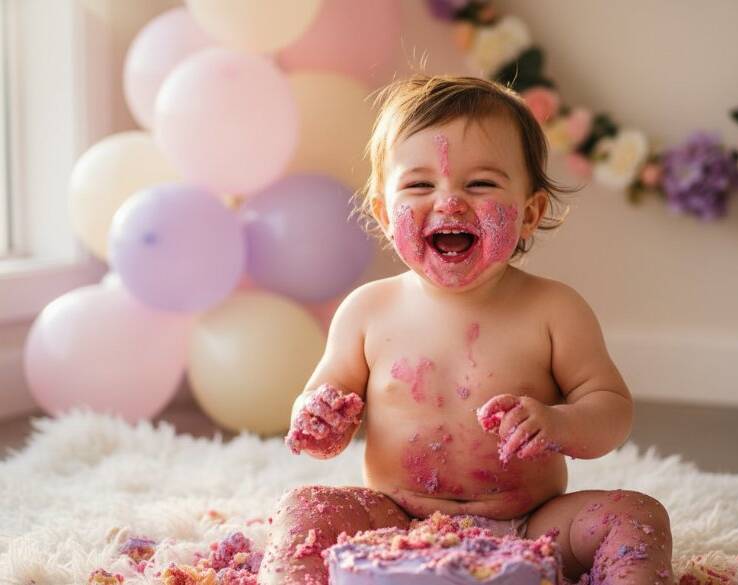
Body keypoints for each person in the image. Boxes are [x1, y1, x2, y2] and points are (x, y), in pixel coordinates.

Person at [257, 74, 675, 585]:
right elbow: (325, 404)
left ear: (529, 213)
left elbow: (611, 410)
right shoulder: (368, 311)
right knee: (306, 508)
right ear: (385, 214)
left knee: (637, 515)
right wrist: (317, 418)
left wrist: (561, 424)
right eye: (419, 184)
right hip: (394, 523)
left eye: (480, 184)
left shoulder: (554, 310)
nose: (450, 202)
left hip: (531, 528)